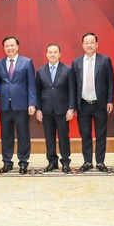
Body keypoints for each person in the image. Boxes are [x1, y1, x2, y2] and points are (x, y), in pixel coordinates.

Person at [72, 32, 114, 172]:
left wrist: (110, 100)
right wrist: (73, 105)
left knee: (101, 134)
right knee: (85, 135)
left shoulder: (105, 60)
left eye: (92, 43)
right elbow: (73, 85)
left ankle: (100, 162)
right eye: (86, 43)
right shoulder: (76, 63)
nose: (89, 45)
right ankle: (87, 161)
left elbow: (110, 82)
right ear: (82, 45)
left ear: (97, 44)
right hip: (83, 104)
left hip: (100, 104)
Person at [0, 36, 37, 174]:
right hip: (5, 106)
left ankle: (23, 162)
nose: (10, 48)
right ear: (3, 48)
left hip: (22, 105)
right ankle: (7, 162)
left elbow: (31, 84)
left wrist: (32, 103)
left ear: (17, 46)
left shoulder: (27, 62)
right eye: (7, 46)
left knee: (23, 135)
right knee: (6, 135)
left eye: (12, 45)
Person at [35, 43, 76, 173]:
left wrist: (71, 108)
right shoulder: (40, 71)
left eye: (55, 52)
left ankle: (65, 162)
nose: (52, 54)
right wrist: (38, 109)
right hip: (46, 110)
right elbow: (37, 92)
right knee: (49, 137)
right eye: (50, 52)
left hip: (62, 109)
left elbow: (72, 90)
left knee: (63, 136)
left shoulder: (68, 70)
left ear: (60, 54)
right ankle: (52, 162)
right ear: (46, 54)